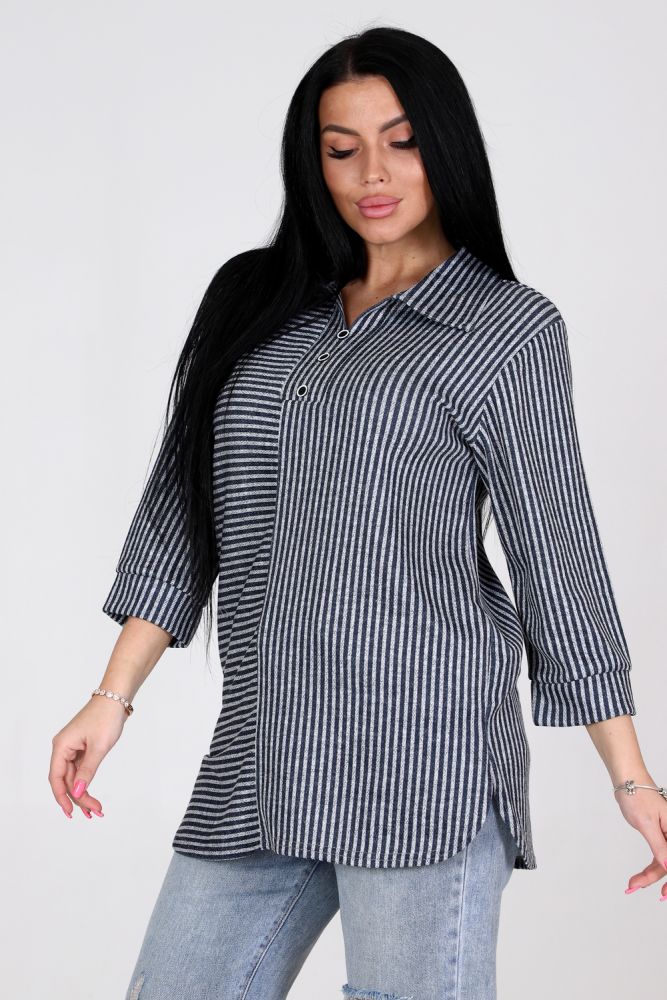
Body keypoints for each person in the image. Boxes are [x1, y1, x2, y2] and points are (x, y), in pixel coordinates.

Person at [49, 25, 667, 1000]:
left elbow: (559, 559)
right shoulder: (256, 302)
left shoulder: (506, 331)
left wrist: (630, 778)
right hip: (264, 750)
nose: (372, 174)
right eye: (341, 149)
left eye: (401, 141)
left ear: (445, 148)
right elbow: (182, 511)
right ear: (314, 162)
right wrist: (110, 695)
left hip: (423, 757)